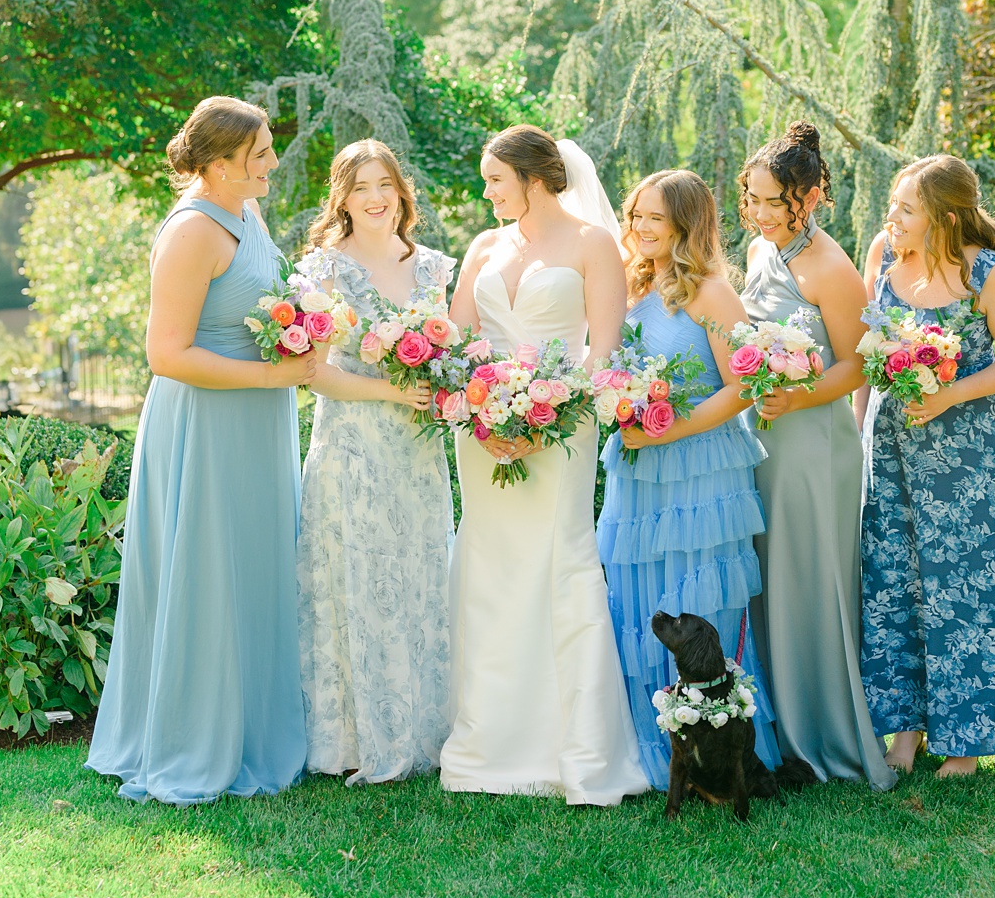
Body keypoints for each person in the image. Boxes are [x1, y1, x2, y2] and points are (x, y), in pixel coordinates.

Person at [87, 97, 311, 803]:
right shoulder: (191, 232)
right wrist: (274, 373)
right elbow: (166, 354)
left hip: (256, 421)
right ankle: (192, 741)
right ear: (218, 165)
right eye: (260, 155)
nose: (273, 163)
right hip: (205, 427)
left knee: (251, 569)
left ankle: (249, 730)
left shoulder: (248, 214)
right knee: (207, 574)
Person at [438, 126, 647, 804]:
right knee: (492, 567)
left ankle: (577, 751)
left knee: (558, 560)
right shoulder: (484, 246)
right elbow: (461, 340)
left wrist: (540, 421)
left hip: (562, 426)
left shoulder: (592, 246)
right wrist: (482, 411)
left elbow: (603, 352)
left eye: (495, 179)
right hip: (484, 429)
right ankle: (486, 746)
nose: (486, 191)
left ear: (533, 178)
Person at [859, 156, 995, 774]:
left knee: (968, 590)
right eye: (894, 206)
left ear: (945, 218)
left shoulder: (990, 272)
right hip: (892, 451)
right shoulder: (883, 254)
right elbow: (866, 348)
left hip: (966, 459)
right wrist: (858, 429)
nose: (892, 218)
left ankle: (966, 741)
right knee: (894, 584)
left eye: (907, 209)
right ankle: (903, 734)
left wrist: (950, 393)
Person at [601, 170, 784, 791]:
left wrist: (668, 430)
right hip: (637, 469)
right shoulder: (628, 284)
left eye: (654, 218)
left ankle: (722, 759)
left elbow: (743, 386)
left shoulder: (709, 292)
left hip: (700, 469)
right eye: (635, 215)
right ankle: (652, 746)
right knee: (636, 597)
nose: (641, 228)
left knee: (699, 605)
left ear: (686, 222)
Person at [737, 125, 894, 786]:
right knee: (767, 576)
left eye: (775, 201)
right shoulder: (755, 251)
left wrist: (797, 400)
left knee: (809, 580)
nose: (762, 212)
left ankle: (825, 730)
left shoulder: (830, 267)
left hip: (813, 445)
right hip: (762, 438)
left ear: (810, 196)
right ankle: (774, 732)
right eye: (752, 197)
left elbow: (859, 366)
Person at [295, 141, 456, 783]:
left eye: (384, 184)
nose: (376, 197)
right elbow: (316, 373)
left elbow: (455, 355)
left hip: (417, 450)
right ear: (343, 197)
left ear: (401, 192)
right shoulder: (325, 270)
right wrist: (393, 389)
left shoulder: (435, 268)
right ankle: (354, 740)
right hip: (353, 445)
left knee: (419, 574)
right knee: (355, 579)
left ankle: (426, 729)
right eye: (361, 186)